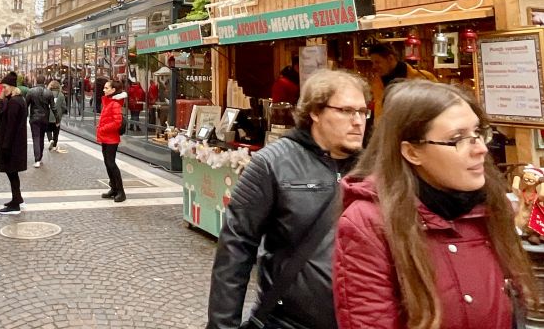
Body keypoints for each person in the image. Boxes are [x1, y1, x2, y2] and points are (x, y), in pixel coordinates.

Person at [333, 80, 533, 329]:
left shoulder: (490, 207)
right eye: (457, 139)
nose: (481, 148)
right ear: (412, 152)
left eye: (479, 133)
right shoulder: (369, 223)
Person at [206, 69, 370, 329]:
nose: (358, 121)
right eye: (346, 111)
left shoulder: (374, 167)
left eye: (363, 111)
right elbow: (235, 251)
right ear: (315, 112)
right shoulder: (272, 164)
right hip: (286, 322)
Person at [368, 43, 437, 120]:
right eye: (373, 63)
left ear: (390, 58)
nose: (374, 66)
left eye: (377, 62)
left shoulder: (423, 77)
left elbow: (439, 105)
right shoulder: (377, 83)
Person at [0, 71, 28, 215]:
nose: (3, 90)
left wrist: (6, 145)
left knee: (12, 173)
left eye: (4, 87)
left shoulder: (15, 102)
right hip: (15, 143)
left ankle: (16, 202)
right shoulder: (16, 100)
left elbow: (10, 125)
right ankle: (17, 198)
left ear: (12, 86)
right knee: (12, 173)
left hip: (12, 144)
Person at [97, 79, 127, 203]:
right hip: (106, 137)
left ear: (113, 90)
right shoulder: (108, 102)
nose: (104, 90)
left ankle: (121, 191)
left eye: (106, 88)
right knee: (107, 163)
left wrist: (102, 129)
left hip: (111, 138)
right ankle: (113, 189)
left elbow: (117, 122)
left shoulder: (114, 104)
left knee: (111, 164)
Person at [25, 75, 55, 168]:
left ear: (36, 81)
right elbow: (53, 107)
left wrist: (24, 117)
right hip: (45, 118)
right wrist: (57, 119)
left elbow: (25, 105)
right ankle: (40, 157)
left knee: (36, 138)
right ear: (44, 81)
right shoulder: (49, 92)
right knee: (41, 137)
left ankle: (37, 159)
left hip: (34, 118)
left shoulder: (31, 91)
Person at [47, 80, 68, 153]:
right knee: (56, 131)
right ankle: (55, 145)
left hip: (48, 116)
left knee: (48, 130)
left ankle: (50, 140)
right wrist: (60, 113)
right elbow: (64, 107)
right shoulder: (61, 95)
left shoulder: (47, 94)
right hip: (57, 117)